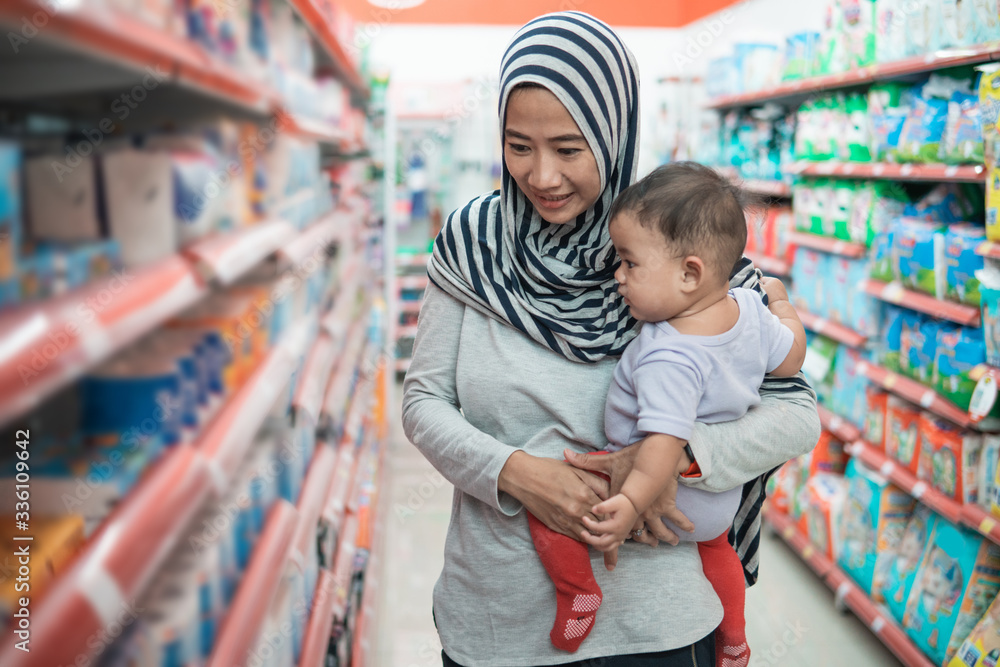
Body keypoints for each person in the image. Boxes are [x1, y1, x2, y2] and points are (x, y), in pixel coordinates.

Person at [402, 11, 821, 666]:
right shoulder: (473, 246)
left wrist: (672, 458)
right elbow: (424, 404)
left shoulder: (682, 240)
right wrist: (517, 473)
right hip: (498, 621)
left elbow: (797, 415)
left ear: (614, 128)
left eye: (569, 148)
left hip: (661, 625)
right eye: (519, 145)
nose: (541, 175)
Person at [525, 163, 807, 664]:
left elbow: (662, 443)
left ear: (689, 273)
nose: (618, 277)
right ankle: (735, 638)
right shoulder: (749, 309)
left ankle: (580, 591)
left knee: (549, 507)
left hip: (663, 496)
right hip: (719, 499)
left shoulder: (668, 353)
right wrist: (781, 305)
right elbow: (791, 360)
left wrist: (631, 503)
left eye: (630, 264)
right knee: (718, 552)